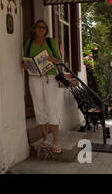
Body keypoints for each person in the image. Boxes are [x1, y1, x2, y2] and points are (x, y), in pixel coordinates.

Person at [22, 19, 63, 153]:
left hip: (49, 77)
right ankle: (46, 138)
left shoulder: (51, 42)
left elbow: (59, 60)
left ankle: (56, 141)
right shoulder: (28, 43)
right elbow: (25, 60)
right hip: (34, 78)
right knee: (39, 108)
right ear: (34, 29)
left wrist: (53, 59)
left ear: (46, 30)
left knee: (51, 107)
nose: (41, 29)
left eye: (44, 27)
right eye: (39, 27)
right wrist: (24, 65)